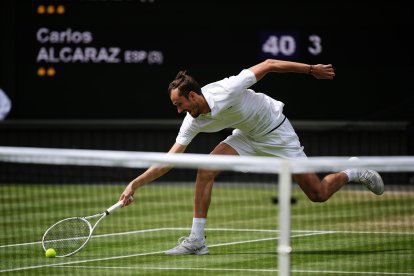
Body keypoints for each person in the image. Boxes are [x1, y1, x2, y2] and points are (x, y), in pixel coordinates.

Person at [119, 59, 384, 255]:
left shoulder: (227, 89)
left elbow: (268, 65)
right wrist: (135, 184)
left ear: (192, 96)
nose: (179, 111)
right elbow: (170, 160)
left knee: (318, 194)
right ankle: (197, 241)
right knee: (205, 170)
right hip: (246, 136)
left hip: (276, 132)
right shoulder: (192, 121)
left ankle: (353, 171)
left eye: (179, 105)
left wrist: (311, 70)